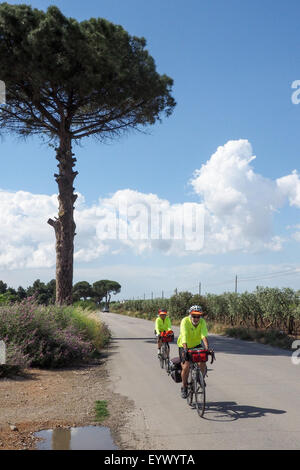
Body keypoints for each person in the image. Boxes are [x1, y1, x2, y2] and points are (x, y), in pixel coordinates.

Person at [177, 305, 209, 399]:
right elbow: (184, 335)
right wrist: (185, 349)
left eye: (198, 316)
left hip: (196, 345)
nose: (196, 318)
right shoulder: (185, 321)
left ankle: (200, 378)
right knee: (186, 366)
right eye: (194, 316)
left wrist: (207, 348)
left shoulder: (202, 322)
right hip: (184, 345)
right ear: (190, 315)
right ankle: (184, 387)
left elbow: (203, 335)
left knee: (203, 360)